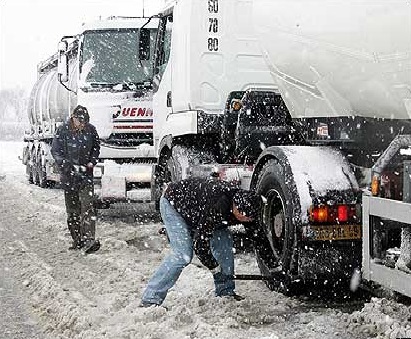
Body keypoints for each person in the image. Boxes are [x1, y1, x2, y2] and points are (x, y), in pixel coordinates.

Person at [140, 178, 262, 307]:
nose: (246, 219)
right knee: (182, 255)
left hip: (203, 213)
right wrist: (214, 267)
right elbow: (200, 244)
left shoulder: (249, 208)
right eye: (243, 215)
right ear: (235, 206)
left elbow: (260, 239)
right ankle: (150, 298)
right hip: (174, 204)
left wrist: (275, 270)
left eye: (249, 218)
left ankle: (226, 292)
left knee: (225, 249)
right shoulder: (217, 204)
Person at [51, 105, 101, 254]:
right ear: (73, 118)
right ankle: (77, 239)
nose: (82, 124)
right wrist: (65, 164)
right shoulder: (62, 130)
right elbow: (56, 150)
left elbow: (96, 147)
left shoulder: (91, 130)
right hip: (69, 178)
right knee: (73, 210)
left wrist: (92, 161)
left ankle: (89, 240)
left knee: (88, 207)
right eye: (80, 121)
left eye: (85, 121)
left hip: (86, 176)